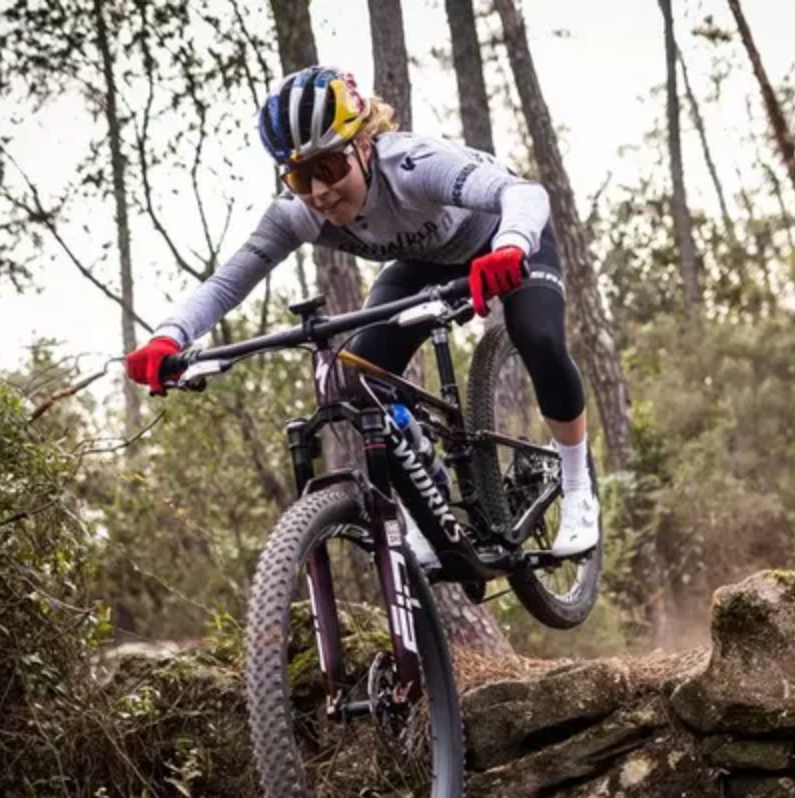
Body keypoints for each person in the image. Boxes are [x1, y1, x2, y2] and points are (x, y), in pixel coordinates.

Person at [125, 65, 600, 564]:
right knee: (361, 377)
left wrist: (509, 246)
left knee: (538, 337)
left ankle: (576, 485)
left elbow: (525, 193)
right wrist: (168, 337)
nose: (319, 191)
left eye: (329, 168)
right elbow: (228, 282)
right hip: (424, 260)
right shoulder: (297, 213)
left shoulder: (413, 165)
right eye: (299, 175)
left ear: (365, 146)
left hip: (505, 235)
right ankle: (425, 504)